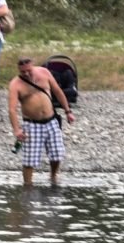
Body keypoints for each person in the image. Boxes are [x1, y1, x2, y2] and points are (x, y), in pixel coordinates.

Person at [8, 56, 76, 186]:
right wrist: (17, 130)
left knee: (57, 154)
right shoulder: (15, 85)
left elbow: (58, 91)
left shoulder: (44, 73)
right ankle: (27, 185)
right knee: (30, 160)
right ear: (18, 70)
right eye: (23, 72)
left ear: (33, 65)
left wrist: (68, 111)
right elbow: (12, 110)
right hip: (32, 124)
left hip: (51, 121)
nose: (26, 74)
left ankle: (53, 176)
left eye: (29, 70)